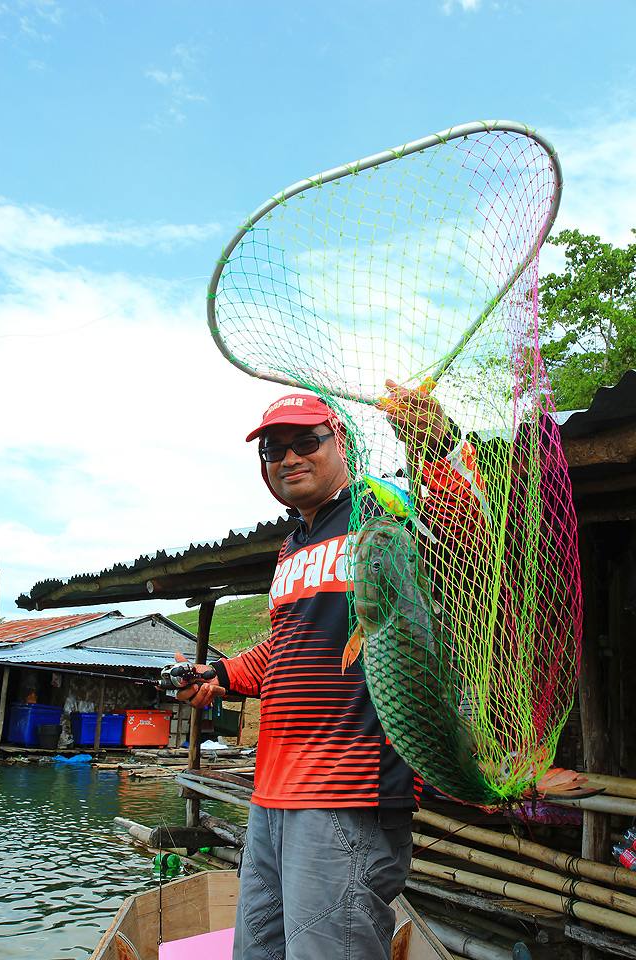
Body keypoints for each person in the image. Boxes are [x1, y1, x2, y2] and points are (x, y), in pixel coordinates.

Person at [177, 382, 469, 960]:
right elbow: (285, 650)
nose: (288, 458)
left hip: (348, 790)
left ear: (341, 444)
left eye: (306, 441)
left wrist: (435, 445)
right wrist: (221, 674)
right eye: (273, 450)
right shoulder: (291, 547)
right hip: (272, 795)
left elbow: (468, 533)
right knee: (258, 952)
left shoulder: (383, 511)